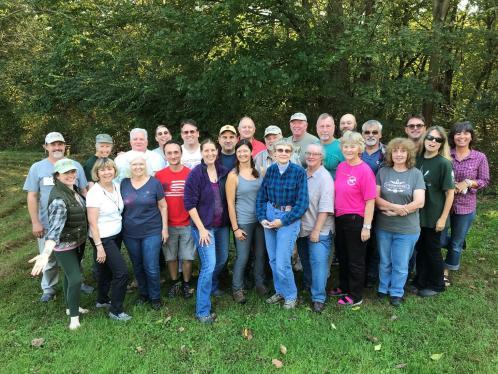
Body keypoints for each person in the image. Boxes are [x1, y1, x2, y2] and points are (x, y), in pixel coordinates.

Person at [23, 132, 89, 302]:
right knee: (49, 258)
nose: (57, 147)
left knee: (75, 257)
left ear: (65, 146)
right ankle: (49, 288)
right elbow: (32, 196)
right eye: (53, 144)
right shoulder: (37, 168)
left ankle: (77, 282)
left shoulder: (76, 166)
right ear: (46, 147)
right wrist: (35, 222)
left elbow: (83, 191)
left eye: (60, 144)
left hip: (72, 225)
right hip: (46, 223)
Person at [29, 159, 89, 330]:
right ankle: (74, 319)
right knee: (76, 279)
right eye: (66, 173)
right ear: (57, 176)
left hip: (77, 241)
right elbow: (54, 230)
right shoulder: (59, 200)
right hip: (64, 246)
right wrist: (46, 254)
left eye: (72, 172)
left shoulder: (74, 191)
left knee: (70, 277)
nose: (71, 175)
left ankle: (71, 308)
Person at [256, 139, 308, 310]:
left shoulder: (299, 172)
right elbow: (261, 197)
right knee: (272, 259)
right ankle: (280, 291)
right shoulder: (270, 171)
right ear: (274, 152)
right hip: (270, 215)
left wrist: (283, 221)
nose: (283, 153)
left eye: (287, 150)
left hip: (288, 218)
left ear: (291, 153)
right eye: (280, 150)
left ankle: (291, 295)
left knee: (282, 261)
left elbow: (302, 204)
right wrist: (262, 216)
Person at [184, 139, 230, 324]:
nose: (210, 153)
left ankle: (211, 286)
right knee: (209, 265)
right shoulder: (196, 174)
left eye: (213, 150)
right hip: (204, 228)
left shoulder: (223, 172)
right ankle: (202, 311)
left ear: (217, 152)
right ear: (201, 153)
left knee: (222, 259)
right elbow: (189, 204)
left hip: (222, 226)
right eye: (206, 151)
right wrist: (202, 229)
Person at [375, 138, 425, 307]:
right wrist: (395, 207)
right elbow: (375, 198)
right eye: (395, 151)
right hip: (384, 226)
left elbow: (420, 202)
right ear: (390, 153)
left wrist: (398, 210)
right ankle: (383, 288)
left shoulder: (415, 174)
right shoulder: (383, 172)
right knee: (385, 260)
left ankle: (396, 292)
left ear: (408, 154)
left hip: (407, 228)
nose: (398, 154)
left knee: (401, 263)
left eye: (402, 151)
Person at [329, 131, 376, 306]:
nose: (349, 149)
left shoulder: (365, 170)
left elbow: (370, 201)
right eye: (346, 146)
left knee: (355, 259)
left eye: (352, 146)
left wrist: (367, 227)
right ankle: (344, 285)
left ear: (359, 148)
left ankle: (356, 295)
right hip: (340, 217)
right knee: (343, 255)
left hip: (356, 219)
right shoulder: (342, 166)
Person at [441, 121, 489, 283]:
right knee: (439, 238)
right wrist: (448, 186)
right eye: (458, 133)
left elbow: (484, 180)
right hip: (444, 204)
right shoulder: (446, 155)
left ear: (471, 136)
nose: (462, 136)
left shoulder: (479, 157)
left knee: (455, 243)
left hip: (465, 206)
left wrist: (468, 182)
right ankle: (459, 242)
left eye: (466, 133)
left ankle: (446, 271)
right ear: (453, 137)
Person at [121, 153, 168, 310]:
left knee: (151, 266)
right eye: (134, 164)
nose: (138, 167)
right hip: (130, 232)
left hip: (152, 231)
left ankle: (155, 297)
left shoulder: (154, 183)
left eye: (141, 164)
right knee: (138, 265)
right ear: (130, 167)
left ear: (145, 166)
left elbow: (163, 206)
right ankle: (143, 294)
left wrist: (165, 228)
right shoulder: (123, 183)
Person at [412, 126, 455, 297]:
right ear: (424, 139)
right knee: (421, 249)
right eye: (430, 138)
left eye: (438, 139)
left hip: (434, 216)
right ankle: (420, 281)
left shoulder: (444, 163)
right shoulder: (417, 159)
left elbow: (450, 193)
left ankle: (437, 284)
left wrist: (443, 218)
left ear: (442, 144)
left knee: (432, 251)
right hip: (418, 215)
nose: (433, 142)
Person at [86, 158, 131, 321]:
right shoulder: (94, 193)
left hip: (116, 234)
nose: (107, 172)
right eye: (102, 170)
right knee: (121, 273)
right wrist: (99, 246)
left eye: (109, 169)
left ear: (114, 170)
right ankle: (116, 310)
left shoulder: (117, 187)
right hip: (102, 238)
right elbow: (92, 222)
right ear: (96, 173)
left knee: (105, 270)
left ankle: (102, 299)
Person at [226, 140, 267, 304]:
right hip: (243, 221)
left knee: (260, 254)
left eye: (245, 151)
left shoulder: (259, 172)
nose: (242, 154)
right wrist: (235, 228)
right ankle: (237, 288)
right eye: (239, 151)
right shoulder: (233, 175)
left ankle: (259, 283)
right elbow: (230, 203)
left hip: (260, 221)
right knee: (242, 256)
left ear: (251, 152)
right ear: (236, 154)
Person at [296, 144, 334, 313]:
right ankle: (309, 285)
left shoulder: (325, 178)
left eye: (315, 154)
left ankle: (318, 298)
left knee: (318, 263)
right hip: (303, 227)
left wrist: (316, 231)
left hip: (319, 229)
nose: (311, 156)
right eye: (308, 153)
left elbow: (325, 208)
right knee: (305, 261)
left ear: (321, 158)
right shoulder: (303, 174)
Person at [155, 140, 195, 299]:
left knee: (187, 257)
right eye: (169, 153)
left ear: (181, 153)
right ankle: (174, 282)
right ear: (165, 155)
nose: (173, 155)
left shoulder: (190, 173)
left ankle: (186, 283)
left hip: (187, 223)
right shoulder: (159, 176)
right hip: (167, 224)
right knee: (170, 257)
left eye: (176, 152)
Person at [360, 120, 386, 288]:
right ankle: (360, 274)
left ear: (380, 135)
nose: (370, 135)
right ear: (362, 134)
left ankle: (371, 276)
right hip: (357, 205)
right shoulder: (356, 151)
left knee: (376, 242)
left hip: (379, 205)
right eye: (367, 132)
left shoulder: (387, 154)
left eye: (374, 132)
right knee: (361, 242)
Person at [316, 113, 344, 179]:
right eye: (322, 126)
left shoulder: (342, 147)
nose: (325, 130)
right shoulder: (313, 146)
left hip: (334, 187)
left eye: (328, 126)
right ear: (317, 128)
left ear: (333, 127)